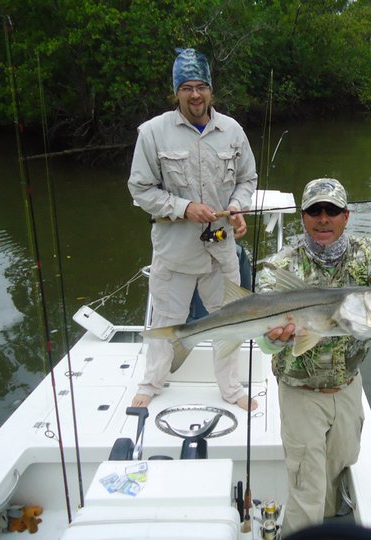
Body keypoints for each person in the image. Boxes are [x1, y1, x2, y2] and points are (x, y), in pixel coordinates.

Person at [256, 178, 371, 535]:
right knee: (307, 486)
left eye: (332, 211)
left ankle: (325, 527)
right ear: (303, 217)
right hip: (300, 392)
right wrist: (274, 340)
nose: (323, 219)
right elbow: (264, 341)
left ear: (346, 216)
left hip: (347, 387)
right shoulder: (283, 264)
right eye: (314, 211)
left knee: (340, 465)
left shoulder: (366, 253)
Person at [128, 48, 258, 411]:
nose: (196, 94)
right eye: (187, 87)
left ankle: (231, 389)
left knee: (228, 322)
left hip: (221, 250)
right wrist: (184, 208)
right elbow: (140, 189)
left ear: (211, 90)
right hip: (175, 252)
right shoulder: (152, 133)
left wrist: (236, 207)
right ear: (177, 93)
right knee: (165, 321)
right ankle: (152, 382)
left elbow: (247, 178)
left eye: (201, 86)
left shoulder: (232, 131)